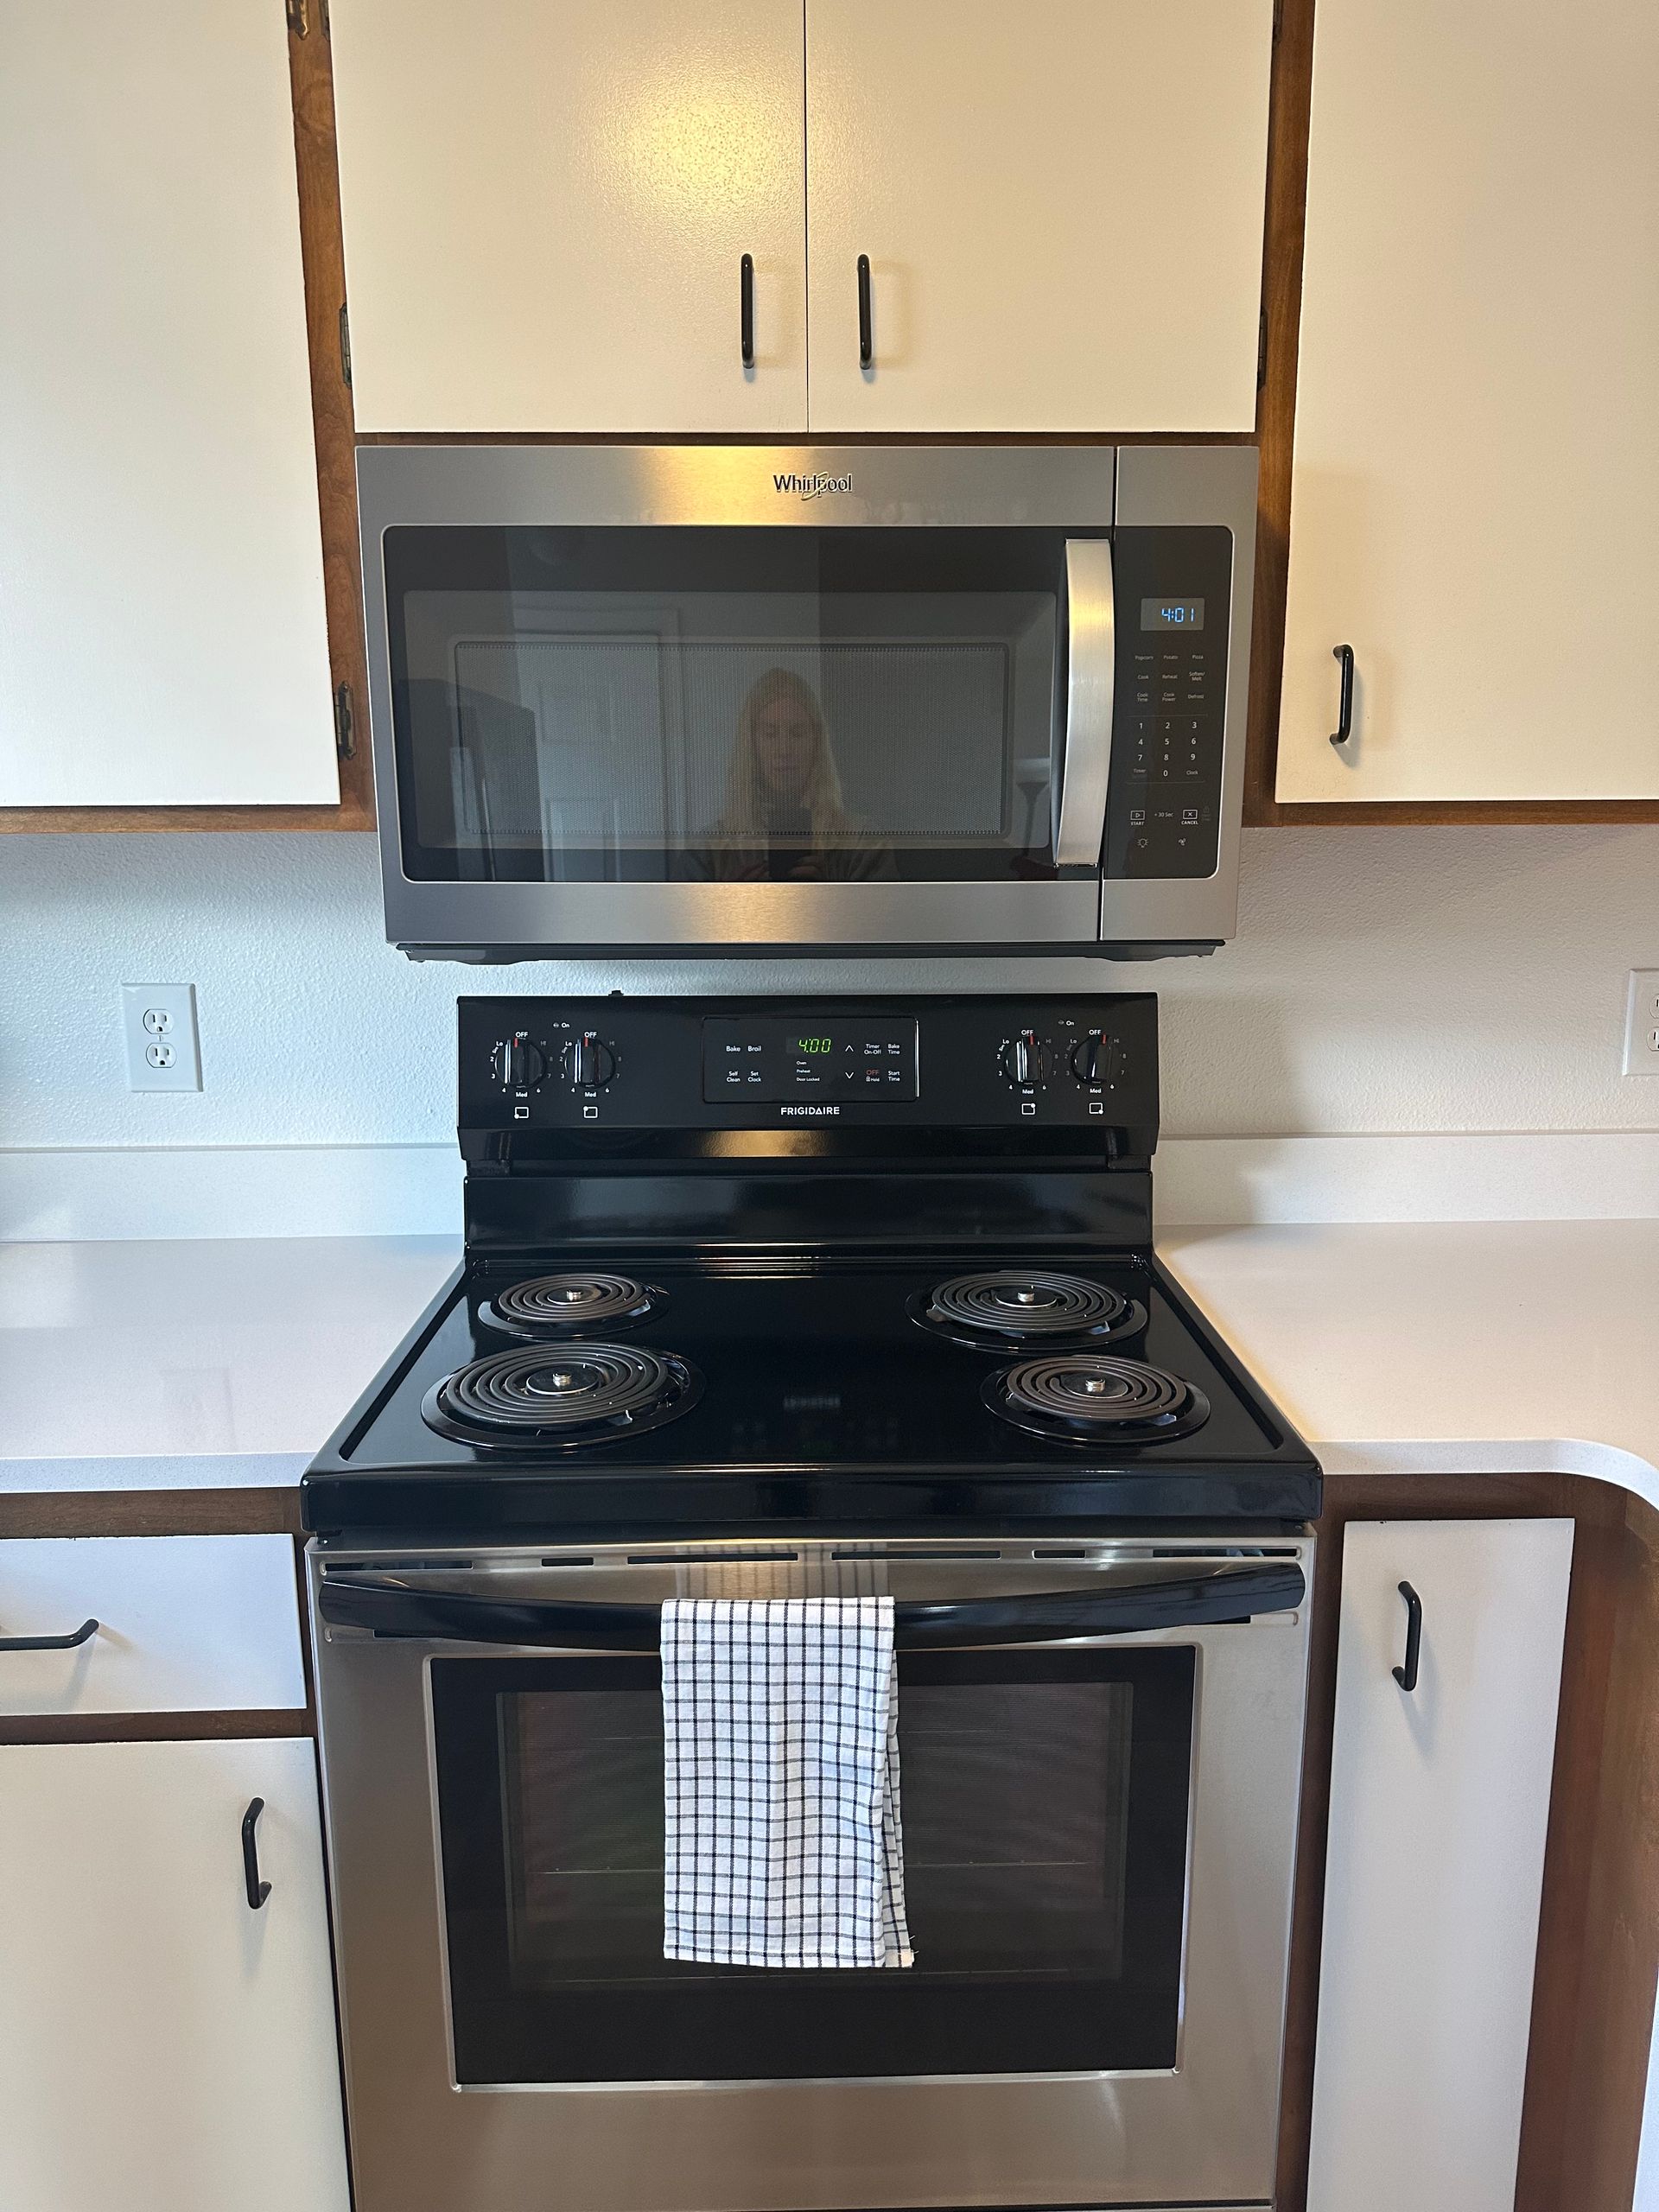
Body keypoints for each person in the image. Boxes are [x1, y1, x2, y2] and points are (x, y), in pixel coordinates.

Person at [688, 668, 890, 882]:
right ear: (751, 745)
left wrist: (829, 892)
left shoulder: (863, 842)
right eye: (770, 734)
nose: (784, 750)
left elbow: (887, 915)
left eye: (797, 733)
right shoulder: (708, 851)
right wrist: (735, 899)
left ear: (816, 744)